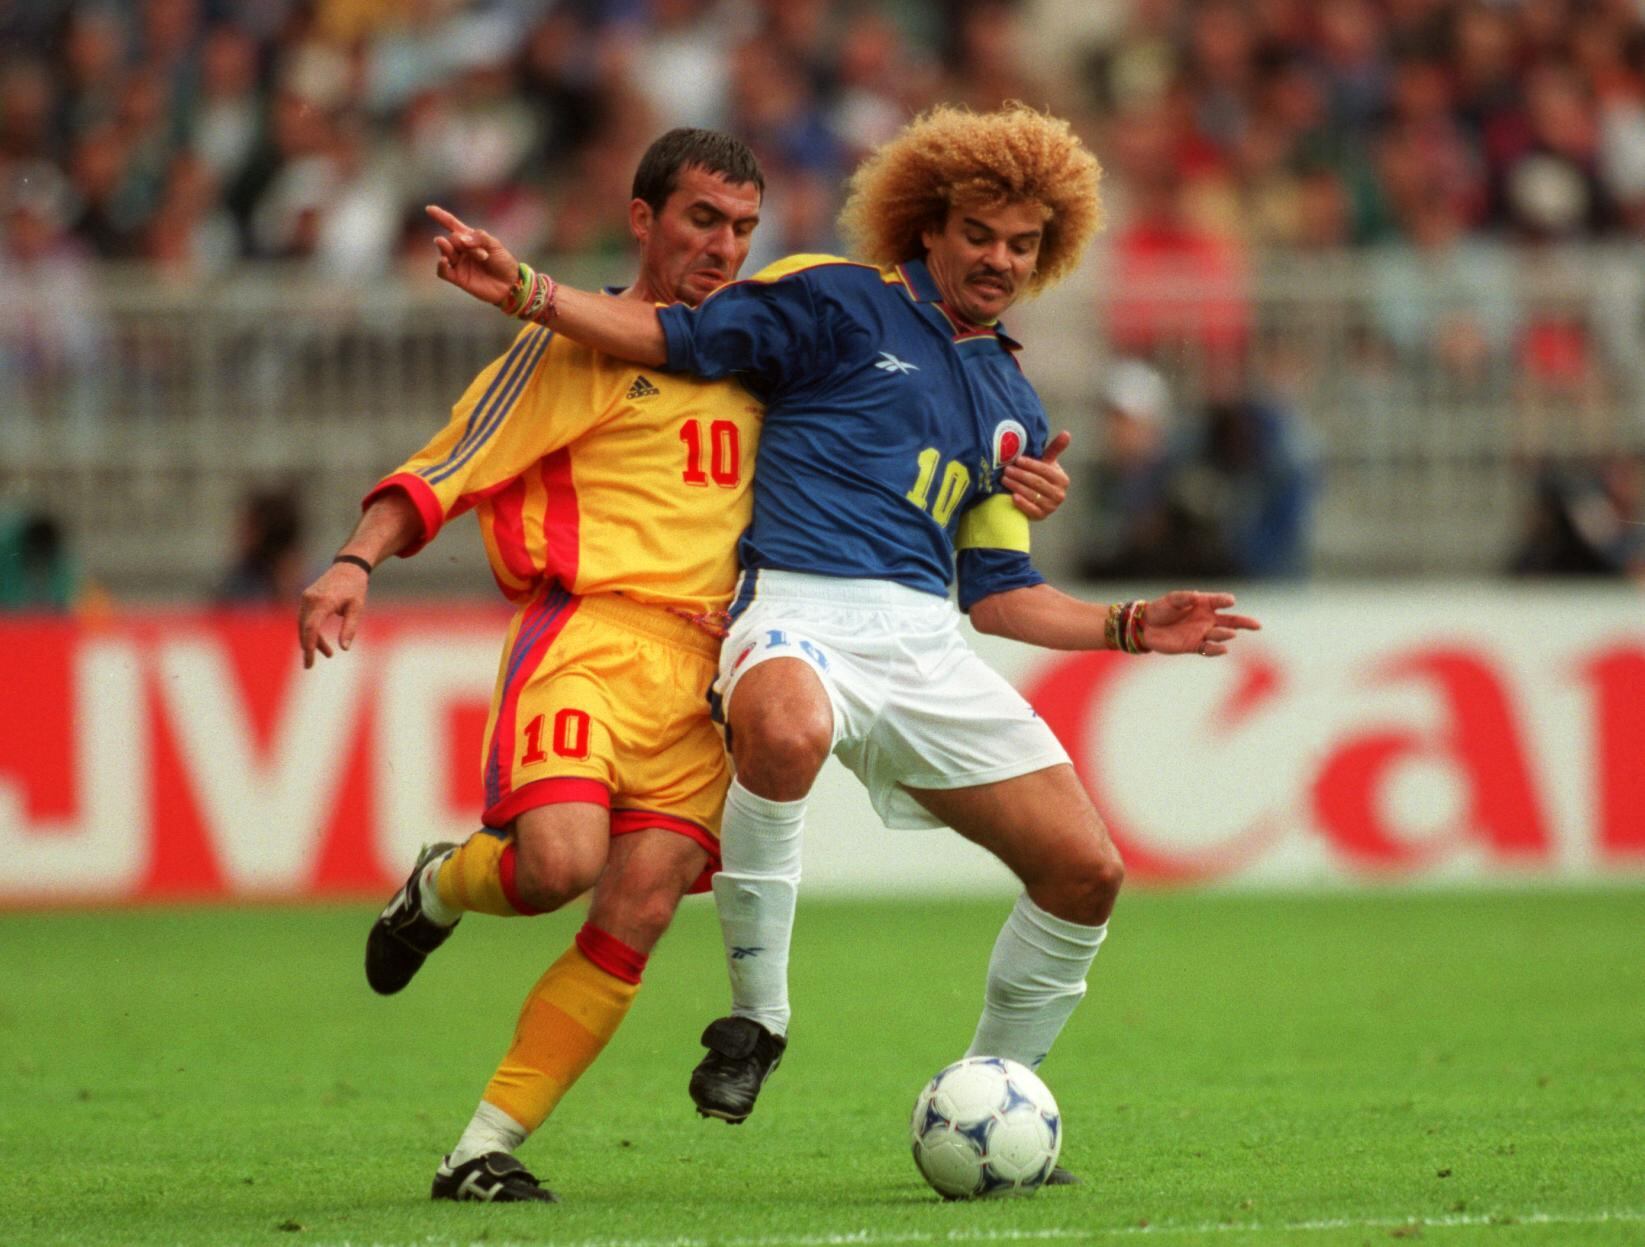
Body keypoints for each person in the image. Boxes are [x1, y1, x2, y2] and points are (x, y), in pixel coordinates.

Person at [426, 103, 1259, 1182]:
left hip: (923, 645)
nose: (998, 259)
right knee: (784, 726)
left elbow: (1000, 596)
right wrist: (531, 290)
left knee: (1085, 870)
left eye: (1020, 244)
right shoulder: (836, 300)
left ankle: (995, 1088)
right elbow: (675, 334)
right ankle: (758, 1018)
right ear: (928, 228)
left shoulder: (1011, 401)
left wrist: (1130, 625)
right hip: (796, 610)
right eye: (978, 235)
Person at [298, 128, 1071, 1205]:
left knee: (641, 909)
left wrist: (999, 481)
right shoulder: (582, 348)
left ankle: (480, 1146)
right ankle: (441, 881)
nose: (724, 245)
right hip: (593, 636)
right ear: (643, 219)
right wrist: (351, 560)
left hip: (717, 667)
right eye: (703, 220)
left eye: (744, 227)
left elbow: (889, 478)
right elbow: (447, 462)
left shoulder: (766, 353)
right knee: (554, 865)